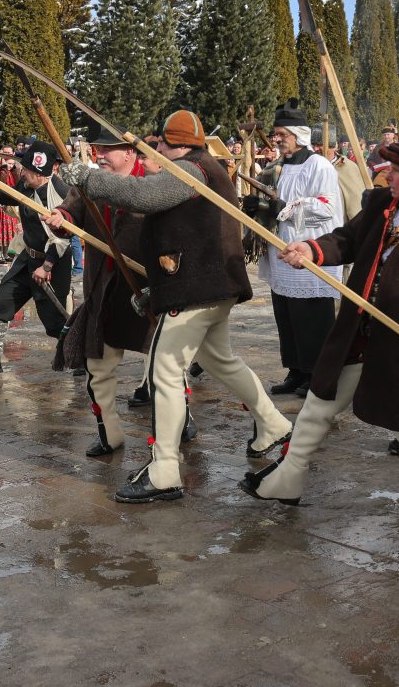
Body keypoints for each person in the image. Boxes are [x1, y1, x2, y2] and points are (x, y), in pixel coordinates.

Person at [240, 133, 399, 529]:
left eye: (397, 172)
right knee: (317, 406)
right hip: (358, 334)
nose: (388, 177)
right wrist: (312, 250)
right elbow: (347, 239)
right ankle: (287, 480)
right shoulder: (383, 208)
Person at [57, 111, 294, 502]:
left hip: (199, 291)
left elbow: (142, 196)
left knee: (165, 370)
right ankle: (272, 424)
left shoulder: (193, 169)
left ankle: (165, 468)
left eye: (162, 144)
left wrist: (87, 177)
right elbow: (185, 234)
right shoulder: (200, 167)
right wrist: (157, 292)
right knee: (221, 360)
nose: (157, 150)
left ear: (176, 144)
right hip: (206, 287)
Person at [47, 125, 154, 457]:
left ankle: (181, 421)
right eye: (97, 149)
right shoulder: (88, 184)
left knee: (165, 367)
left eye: (108, 150)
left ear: (129, 153)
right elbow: (70, 209)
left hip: (144, 289)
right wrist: (60, 217)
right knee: (99, 367)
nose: (100, 155)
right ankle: (110, 434)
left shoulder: (153, 183)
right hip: (103, 289)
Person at [249, 99, 343, 399]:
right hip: (282, 253)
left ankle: (317, 374)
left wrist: (285, 208)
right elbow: (272, 204)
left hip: (310, 251)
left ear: (299, 136)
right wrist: (260, 204)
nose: (276, 140)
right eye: (276, 135)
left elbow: (328, 206)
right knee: (287, 318)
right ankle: (296, 370)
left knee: (312, 320)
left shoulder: (319, 165)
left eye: (282, 135)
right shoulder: (278, 167)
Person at [0, 141, 73, 379]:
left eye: (27, 171)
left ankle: (81, 358)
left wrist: (46, 266)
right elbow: (1, 193)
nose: (22, 174)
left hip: (53, 263)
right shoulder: (25, 184)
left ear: (40, 173)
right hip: (27, 259)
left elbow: (63, 239)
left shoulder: (60, 192)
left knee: (54, 323)